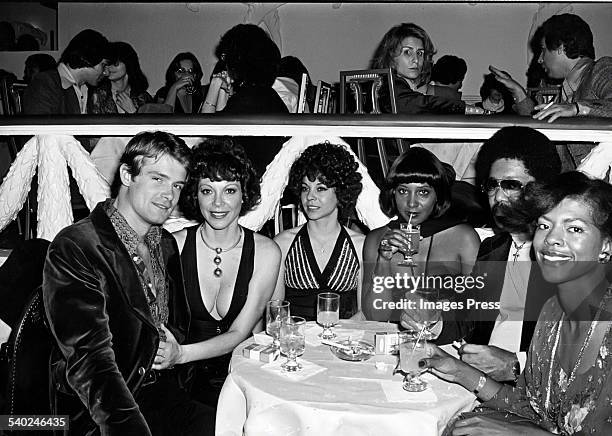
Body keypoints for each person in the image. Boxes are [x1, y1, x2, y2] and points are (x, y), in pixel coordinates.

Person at [43, 131, 209, 435]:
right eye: (157, 179)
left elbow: (177, 327)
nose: (169, 195)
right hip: (105, 409)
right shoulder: (78, 246)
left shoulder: (166, 243)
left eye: (177, 185)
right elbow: (90, 361)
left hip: (164, 392)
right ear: (127, 175)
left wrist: (176, 351)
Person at [422, 171, 612, 435]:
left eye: (575, 229)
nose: (552, 239)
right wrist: (457, 370)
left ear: (607, 245)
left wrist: (520, 434)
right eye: (544, 226)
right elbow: (533, 407)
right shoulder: (553, 312)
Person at [155, 138, 281, 431]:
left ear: (243, 195)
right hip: (180, 379)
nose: (218, 203)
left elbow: (239, 332)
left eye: (230, 191)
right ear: (195, 196)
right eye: (207, 190)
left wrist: (181, 354)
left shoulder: (265, 252)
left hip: (238, 375)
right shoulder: (172, 245)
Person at [460, 126, 562, 382]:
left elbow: (580, 352)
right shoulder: (491, 249)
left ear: (541, 190)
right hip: (480, 384)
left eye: (511, 185)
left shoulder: (560, 255)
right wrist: (436, 321)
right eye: (492, 185)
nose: (498, 196)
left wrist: (516, 364)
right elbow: (471, 323)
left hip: (535, 393)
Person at [361, 147, 480, 342]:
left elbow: (478, 312)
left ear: (438, 196)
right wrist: (383, 260)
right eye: (403, 191)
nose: (411, 203)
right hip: (393, 345)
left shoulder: (463, 238)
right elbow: (375, 317)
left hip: (449, 345)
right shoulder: (376, 239)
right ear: (392, 194)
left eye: (423, 192)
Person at [273, 142, 364, 320]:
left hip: (343, 342)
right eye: (305, 188)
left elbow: (363, 314)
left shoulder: (359, 245)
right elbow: (276, 310)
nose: (310, 197)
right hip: (295, 341)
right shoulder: (283, 243)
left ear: (341, 192)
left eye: (321, 188)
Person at [201, 24, 288, 176]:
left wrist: (214, 86)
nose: (223, 62)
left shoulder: (247, 99)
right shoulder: (266, 95)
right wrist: (224, 92)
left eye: (225, 57)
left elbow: (204, 140)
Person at [490, 13, 612, 122]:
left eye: (543, 50)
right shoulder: (568, 91)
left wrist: (577, 108)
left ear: (561, 47)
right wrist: (519, 92)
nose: (539, 59)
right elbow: (542, 125)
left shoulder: (602, 68)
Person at [371, 23, 470, 115]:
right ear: (391, 57)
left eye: (420, 53)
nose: (416, 60)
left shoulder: (401, 85)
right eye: (408, 52)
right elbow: (415, 103)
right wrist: (468, 109)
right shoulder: (386, 84)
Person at [23, 29, 110, 115]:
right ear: (88, 59)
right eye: (103, 65)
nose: (106, 72)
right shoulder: (44, 84)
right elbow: (39, 127)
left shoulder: (87, 89)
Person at [90, 41, 152, 114]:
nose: (109, 67)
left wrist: (133, 112)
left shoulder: (143, 97)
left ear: (128, 63)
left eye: (115, 63)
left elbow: (150, 123)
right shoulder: (97, 95)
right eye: (106, 64)